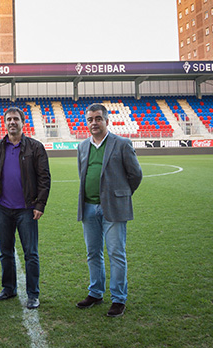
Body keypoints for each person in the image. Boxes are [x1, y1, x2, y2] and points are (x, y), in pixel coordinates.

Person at [76, 103, 142, 317]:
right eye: (90, 120)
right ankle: (95, 292)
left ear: (106, 121)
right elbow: (82, 174)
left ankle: (118, 298)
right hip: (88, 207)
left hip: (113, 208)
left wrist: (120, 195)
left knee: (116, 253)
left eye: (98, 119)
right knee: (93, 253)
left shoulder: (122, 144)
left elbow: (135, 174)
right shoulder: (82, 146)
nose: (93, 123)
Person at [0, 106, 50, 309]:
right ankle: (9, 288)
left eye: (16, 119)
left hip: (27, 209)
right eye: (9, 119)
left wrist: (39, 204)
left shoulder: (35, 147)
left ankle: (33, 293)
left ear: (23, 122)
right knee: (5, 251)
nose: (12, 122)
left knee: (30, 253)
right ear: (4, 123)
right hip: (3, 209)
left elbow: (44, 178)